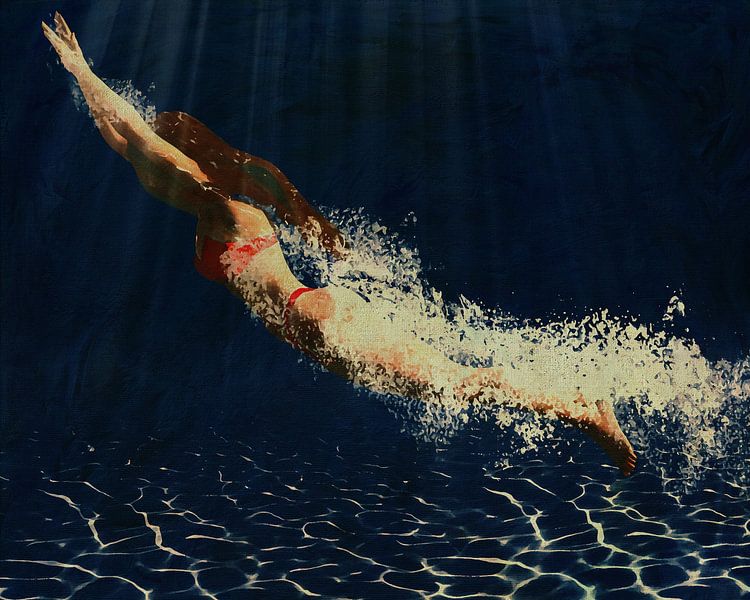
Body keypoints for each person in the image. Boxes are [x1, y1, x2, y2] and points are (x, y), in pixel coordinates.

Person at [42, 13, 637, 476]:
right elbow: (124, 140)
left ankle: (583, 407)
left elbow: (141, 141)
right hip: (321, 329)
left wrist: (81, 70)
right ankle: (577, 403)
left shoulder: (221, 207)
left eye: (166, 159)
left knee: (458, 383)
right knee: (451, 383)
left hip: (323, 324)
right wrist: (89, 86)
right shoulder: (215, 211)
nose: (152, 172)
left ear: (188, 160)